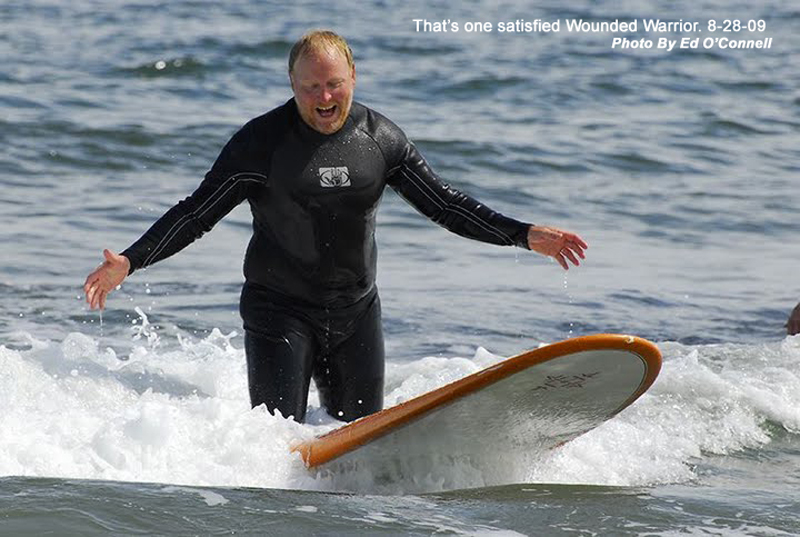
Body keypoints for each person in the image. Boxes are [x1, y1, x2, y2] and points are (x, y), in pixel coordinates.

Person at [84, 30, 588, 423]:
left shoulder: (381, 139)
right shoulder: (260, 144)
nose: (323, 97)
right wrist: (131, 260)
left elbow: (445, 205)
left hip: (356, 313)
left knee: (360, 440)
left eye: (333, 83)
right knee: (279, 440)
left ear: (353, 76)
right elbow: (197, 213)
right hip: (279, 312)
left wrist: (523, 234)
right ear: (293, 86)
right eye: (310, 87)